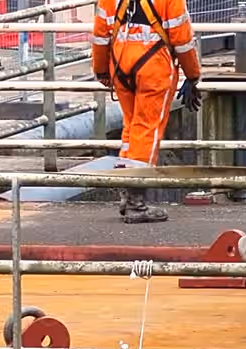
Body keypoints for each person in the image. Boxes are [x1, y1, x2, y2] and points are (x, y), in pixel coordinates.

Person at [92, 0, 203, 223]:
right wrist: (192, 75)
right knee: (147, 130)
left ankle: (125, 190)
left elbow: (100, 36)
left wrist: (102, 70)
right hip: (153, 69)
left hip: (120, 67)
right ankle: (136, 202)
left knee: (132, 127)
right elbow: (182, 40)